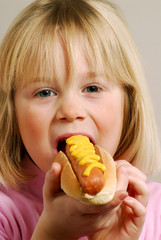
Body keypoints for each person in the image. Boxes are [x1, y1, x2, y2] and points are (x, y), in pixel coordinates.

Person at [0, 0, 160, 239]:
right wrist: (51, 235)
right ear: (11, 111)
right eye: (45, 92)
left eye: (93, 88)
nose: (71, 110)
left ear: (129, 103)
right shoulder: (5, 213)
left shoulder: (154, 211)